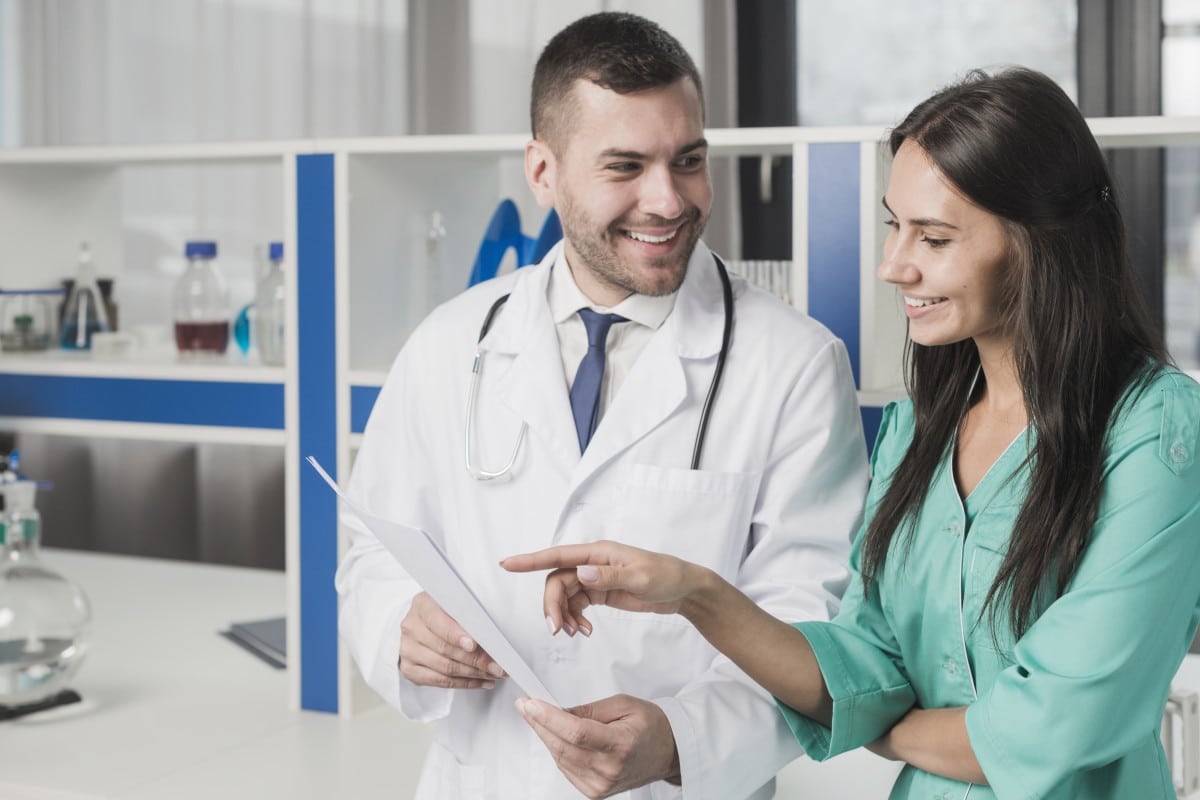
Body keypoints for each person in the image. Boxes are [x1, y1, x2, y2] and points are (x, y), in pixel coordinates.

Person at [504, 66, 1200, 800]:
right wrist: (694, 593)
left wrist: (881, 727)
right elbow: (865, 667)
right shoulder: (916, 433)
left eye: (932, 238)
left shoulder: (1157, 433)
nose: (892, 265)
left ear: (1037, 244)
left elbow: (1055, 725)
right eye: (894, 224)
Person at [334, 11, 869, 799]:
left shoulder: (794, 364)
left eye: (688, 161)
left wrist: (681, 740)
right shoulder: (449, 346)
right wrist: (401, 629)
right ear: (542, 171)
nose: (668, 200)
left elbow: (811, 630)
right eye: (625, 167)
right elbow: (371, 551)